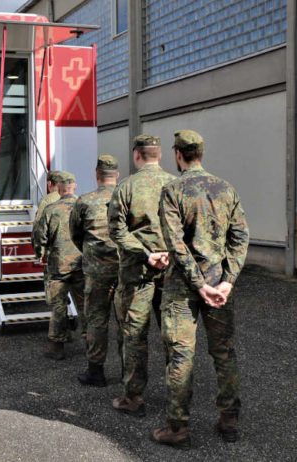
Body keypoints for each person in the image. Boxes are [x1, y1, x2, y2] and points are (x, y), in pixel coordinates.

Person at [150, 130, 249, 450]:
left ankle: (178, 427)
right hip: (219, 286)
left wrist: (198, 284)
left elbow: (176, 245)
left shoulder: (173, 190)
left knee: (180, 356)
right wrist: (226, 282)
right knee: (224, 353)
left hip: (182, 288)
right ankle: (229, 420)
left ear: (178, 154)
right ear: (201, 154)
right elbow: (240, 239)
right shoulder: (225, 189)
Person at [107, 135, 176, 416]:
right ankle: (177, 399)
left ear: (137, 155)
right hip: (173, 269)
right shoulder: (175, 184)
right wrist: (170, 253)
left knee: (135, 334)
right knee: (172, 334)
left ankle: (133, 399)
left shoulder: (126, 186)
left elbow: (117, 231)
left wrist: (146, 253)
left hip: (138, 272)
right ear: (159, 156)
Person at [69, 154, 120, 387]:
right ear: (116, 175)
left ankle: (96, 372)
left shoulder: (85, 201)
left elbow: (76, 234)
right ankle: (129, 372)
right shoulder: (126, 196)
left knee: (97, 320)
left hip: (97, 270)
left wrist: (91, 252)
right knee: (128, 321)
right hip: (124, 268)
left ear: (97, 175)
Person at [33, 172, 85, 360]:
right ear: (74, 187)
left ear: (58, 189)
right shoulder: (85, 206)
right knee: (85, 304)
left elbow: (40, 236)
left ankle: (57, 347)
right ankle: (92, 343)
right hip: (82, 263)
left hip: (58, 265)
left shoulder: (51, 208)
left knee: (58, 304)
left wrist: (40, 253)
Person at [32, 170, 63, 258]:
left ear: (49, 183)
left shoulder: (46, 201)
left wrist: (39, 252)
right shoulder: (73, 199)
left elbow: (38, 229)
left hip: (54, 254)